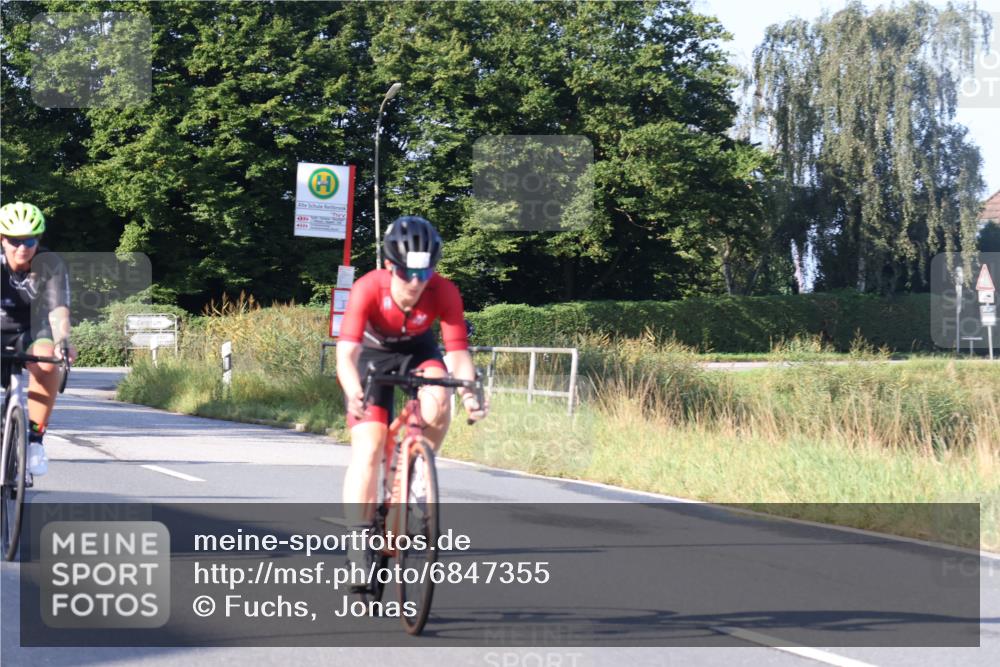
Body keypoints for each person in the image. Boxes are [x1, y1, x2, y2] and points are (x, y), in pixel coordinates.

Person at [335, 215, 486, 585]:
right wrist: (353, 389)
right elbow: (346, 354)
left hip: (418, 351)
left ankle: (418, 472)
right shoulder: (368, 288)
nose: (417, 283)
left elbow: (458, 353)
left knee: (440, 396)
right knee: (369, 449)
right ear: (390, 266)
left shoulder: (444, 291)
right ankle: (358, 546)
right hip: (372, 355)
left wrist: (469, 392)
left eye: (426, 274)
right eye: (407, 274)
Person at [0, 202, 75, 481]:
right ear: (2, 239)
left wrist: (63, 341)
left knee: (47, 363)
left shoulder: (50, 264)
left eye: (29, 240)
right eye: (15, 241)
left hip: (31, 329)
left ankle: (34, 441)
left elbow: (58, 309)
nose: (22, 247)